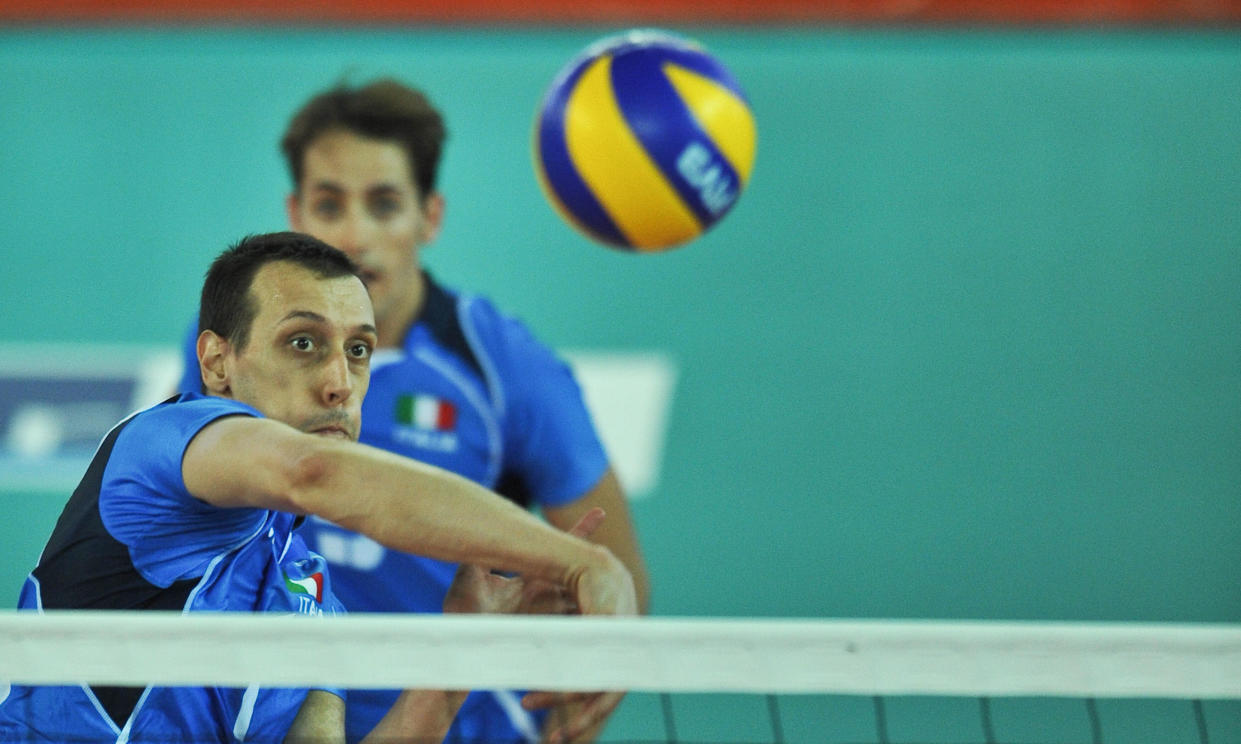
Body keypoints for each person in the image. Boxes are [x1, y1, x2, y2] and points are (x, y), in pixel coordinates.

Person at [1, 232, 637, 743]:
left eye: (359, 351)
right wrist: (581, 561)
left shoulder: (306, 585)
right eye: (302, 343)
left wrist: (457, 660)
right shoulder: (162, 447)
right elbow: (313, 474)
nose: (340, 382)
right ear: (217, 362)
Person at [175, 78, 652, 743]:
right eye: (329, 203)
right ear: (294, 212)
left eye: (384, 205)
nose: (355, 234)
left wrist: (581, 688)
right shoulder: (239, 351)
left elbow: (611, 570)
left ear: (429, 216)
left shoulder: (503, 365)